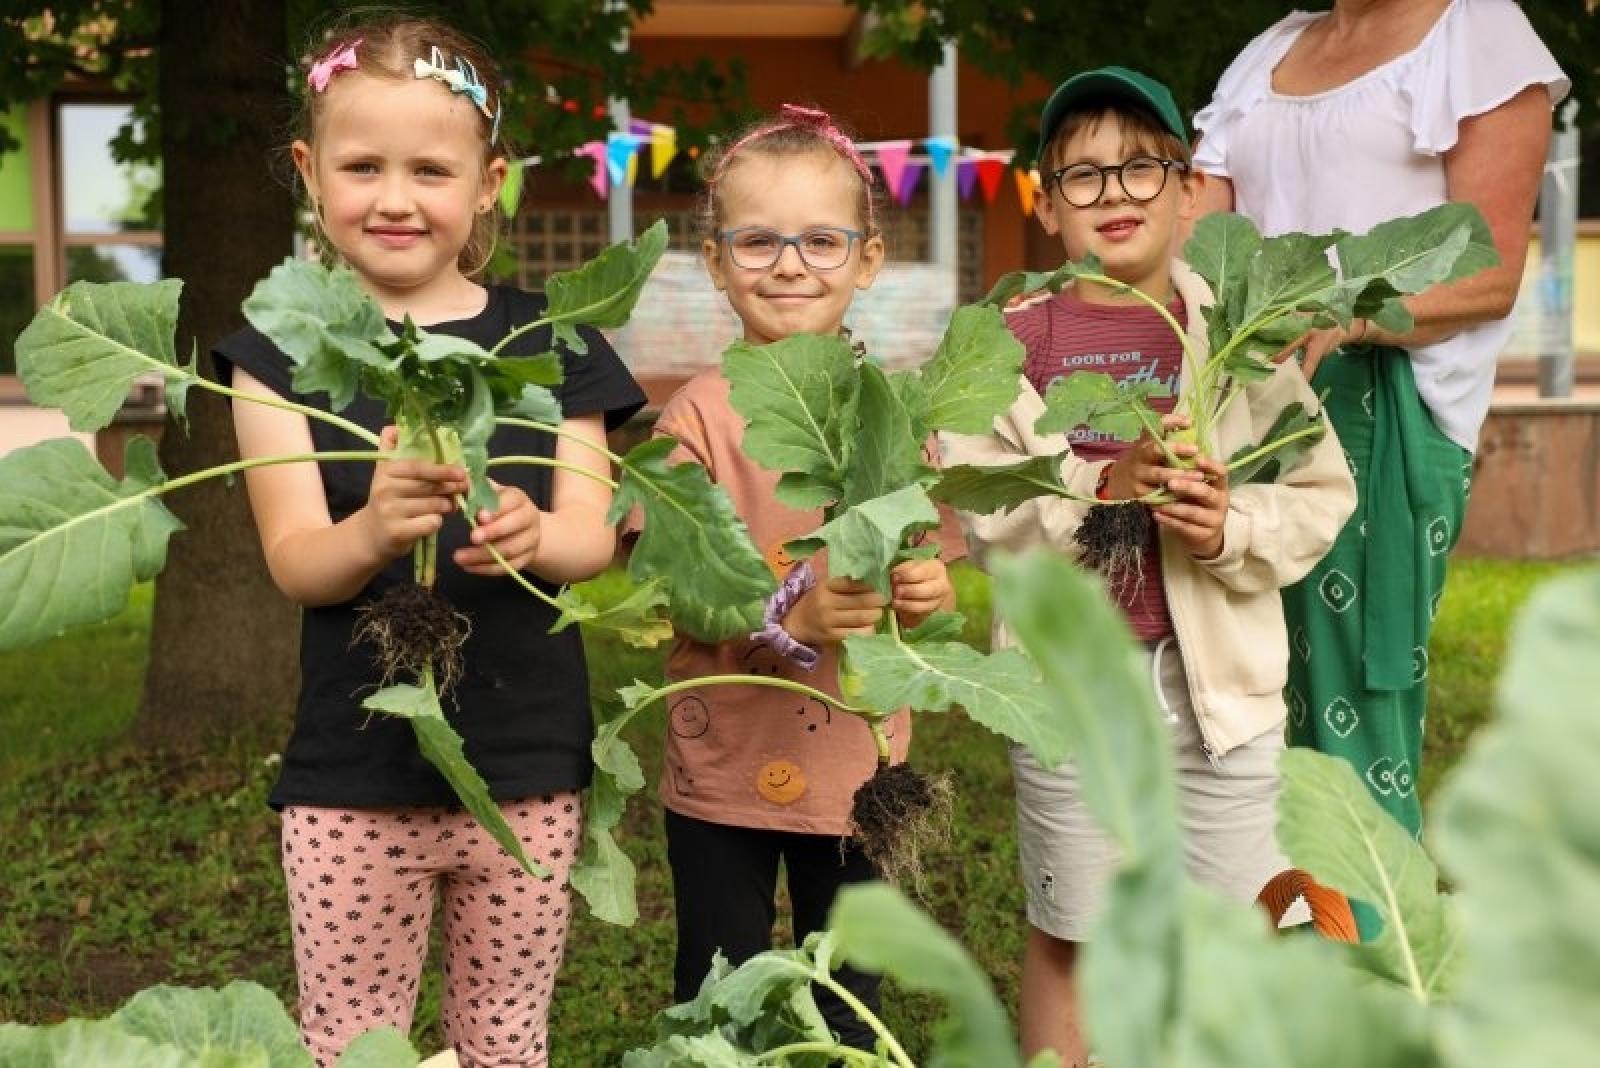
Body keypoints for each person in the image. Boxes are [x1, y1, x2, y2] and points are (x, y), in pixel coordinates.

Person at [213, 17, 645, 1066]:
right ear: (309, 173)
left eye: (431, 171)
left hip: (526, 768)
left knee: (506, 1037)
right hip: (352, 774)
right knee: (352, 1043)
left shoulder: (554, 341)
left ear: (489, 183)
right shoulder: (275, 352)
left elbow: (591, 539)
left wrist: (537, 535)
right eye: (362, 167)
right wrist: (373, 528)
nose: (395, 198)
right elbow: (297, 562)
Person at [940, 68, 1356, 1066]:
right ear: (1046, 206)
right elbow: (980, 508)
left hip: (1223, 699)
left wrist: (1226, 527)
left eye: (1141, 168)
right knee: (1076, 934)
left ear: (1188, 193)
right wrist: (1101, 487)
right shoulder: (1006, 345)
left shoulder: (1244, 343)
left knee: (1248, 923)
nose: (1114, 193)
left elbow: (1318, 495)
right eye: (1081, 175)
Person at [1191, 0, 1569, 855]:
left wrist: (1346, 315)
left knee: (1347, 726)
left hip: (1374, 400)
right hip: (1239, 400)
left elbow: (1488, 272)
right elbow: (1196, 238)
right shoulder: (1270, 52)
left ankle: (1368, 930)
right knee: (1239, 705)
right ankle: (1274, 925)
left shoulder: (1478, 32)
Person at [628, 104, 963, 1047]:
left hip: (859, 772)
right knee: (718, 987)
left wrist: (925, 594)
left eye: (821, 241)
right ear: (715, 260)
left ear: (867, 259)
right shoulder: (693, 417)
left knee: (849, 998)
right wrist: (788, 622)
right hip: (723, 766)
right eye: (758, 241)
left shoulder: (895, 408)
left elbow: (923, 573)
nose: (789, 265)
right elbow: (680, 586)